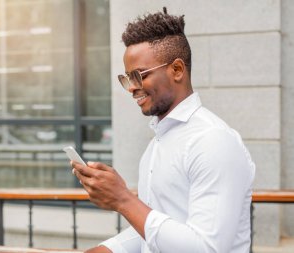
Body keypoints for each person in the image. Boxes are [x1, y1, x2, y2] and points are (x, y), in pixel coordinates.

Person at [70, 7, 255, 253]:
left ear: (177, 70)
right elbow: (156, 230)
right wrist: (106, 250)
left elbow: (207, 248)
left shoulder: (213, 141)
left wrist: (123, 200)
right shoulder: (158, 143)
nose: (131, 88)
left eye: (138, 76)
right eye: (126, 78)